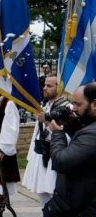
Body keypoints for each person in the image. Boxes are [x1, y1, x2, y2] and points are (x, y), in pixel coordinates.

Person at [43, 83, 96, 217]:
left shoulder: (92, 134)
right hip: (75, 208)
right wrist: (70, 125)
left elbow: (61, 161)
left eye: (78, 104)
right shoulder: (88, 126)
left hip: (82, 215)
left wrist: (57, 133)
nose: (73, 108)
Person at [22, 75, 70, 208]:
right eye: (44, 85)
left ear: (59, 88)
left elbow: (63, 132)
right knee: (41, 190)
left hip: (54, 151)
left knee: (52, 190)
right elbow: (38, 129)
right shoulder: (45, 104)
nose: (44, 88)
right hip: (41, 149)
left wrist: (47, 121)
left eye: (49, 86)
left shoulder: (65, 107)